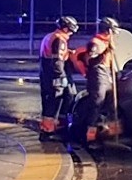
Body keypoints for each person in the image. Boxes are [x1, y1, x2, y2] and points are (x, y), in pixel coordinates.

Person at [76, 17, 120, 145]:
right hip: (97, 76)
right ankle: (90, 137)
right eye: (112, 31)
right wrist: (105, 51)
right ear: (107, 30)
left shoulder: (107, 43)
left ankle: (107, 133)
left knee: (110, 103)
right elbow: (90, 61)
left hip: (106, 74)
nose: (113, 34)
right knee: (96, 104)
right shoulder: (95, 43)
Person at [38, 16, 79, 141]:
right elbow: (57, 60)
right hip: (55, 74)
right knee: (55, 101)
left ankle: (54, 127)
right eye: (71, 31)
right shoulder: (59, 39)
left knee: (61, 98)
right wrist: (61, 76)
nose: (72, 34)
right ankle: (48, 131)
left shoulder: (51, 36)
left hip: (47, 73)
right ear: (66, 28)